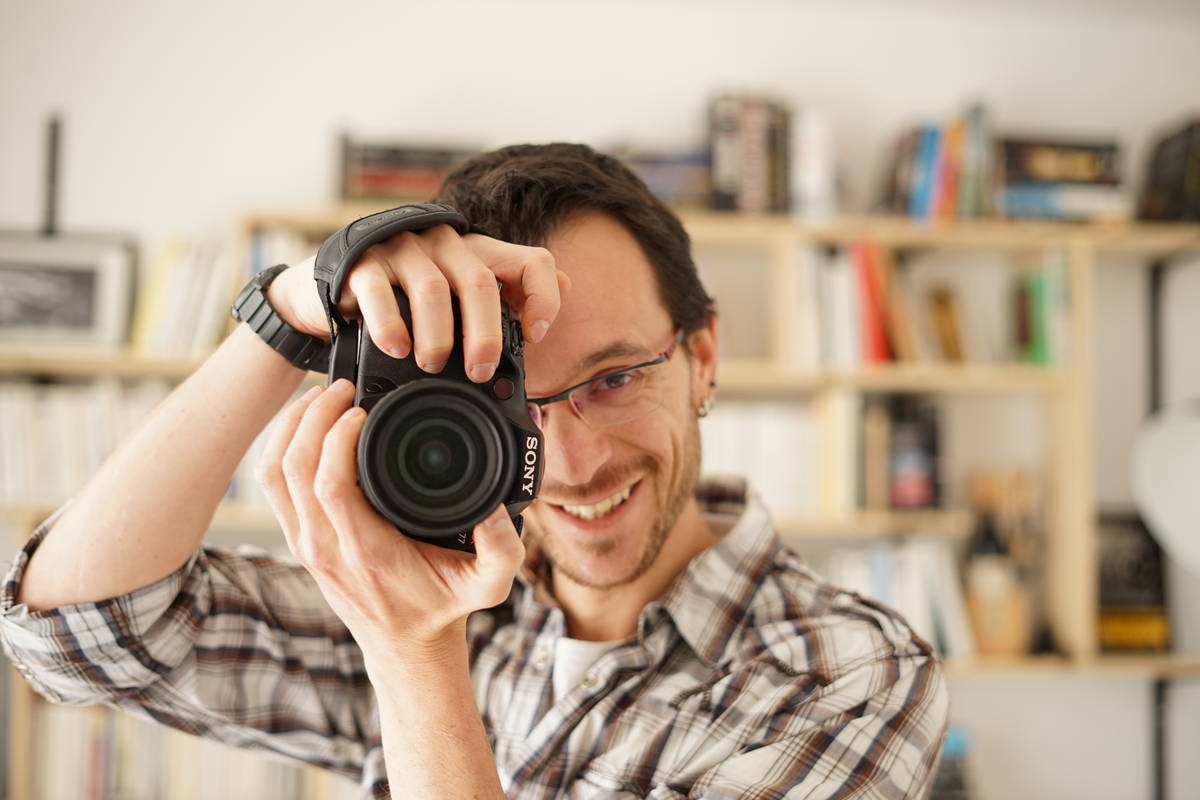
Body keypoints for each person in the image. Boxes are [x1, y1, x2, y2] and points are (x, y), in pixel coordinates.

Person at [1, 143, 948, 798]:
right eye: (510, 403)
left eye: (614, 378)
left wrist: (415, 664)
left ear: (703, 357)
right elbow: (76, 633)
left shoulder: (845, 675)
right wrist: (286, 315)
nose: (568, 462)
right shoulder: (453, 601)